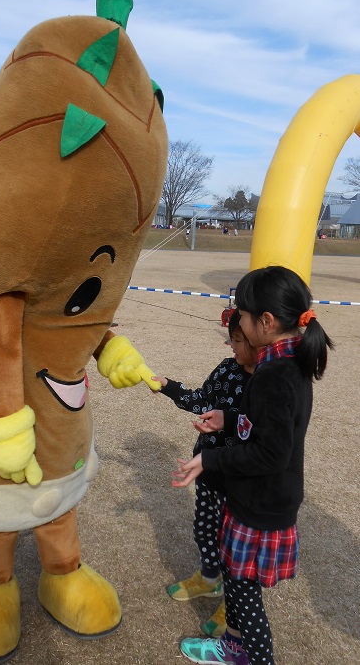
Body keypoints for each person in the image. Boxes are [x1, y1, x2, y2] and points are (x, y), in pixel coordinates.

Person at [173, 265, 333, 665]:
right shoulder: (284, 364)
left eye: (242, 314)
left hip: (259, 508)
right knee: (238, 587)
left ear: (265, 322)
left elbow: (270, 453)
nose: (237, 322)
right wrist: (228, 418)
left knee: (244, 599)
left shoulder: (275, 374)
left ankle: (253, 658)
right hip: (260, 501)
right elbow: (272, 429)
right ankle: (232, 645)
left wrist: (209, 458)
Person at [151, 309, 257, 638]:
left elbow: (265, 432)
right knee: (204, 530)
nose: (232, 347)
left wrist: (229, 416)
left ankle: (234, 605)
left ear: (258, 340)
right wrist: (168, 386)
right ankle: (209, 579)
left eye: (238, 341)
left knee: (233, 547)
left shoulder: (269, 381)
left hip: (240, 483)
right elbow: (199, 400)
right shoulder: (227, 369)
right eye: (231, 339)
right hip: (208, 472)